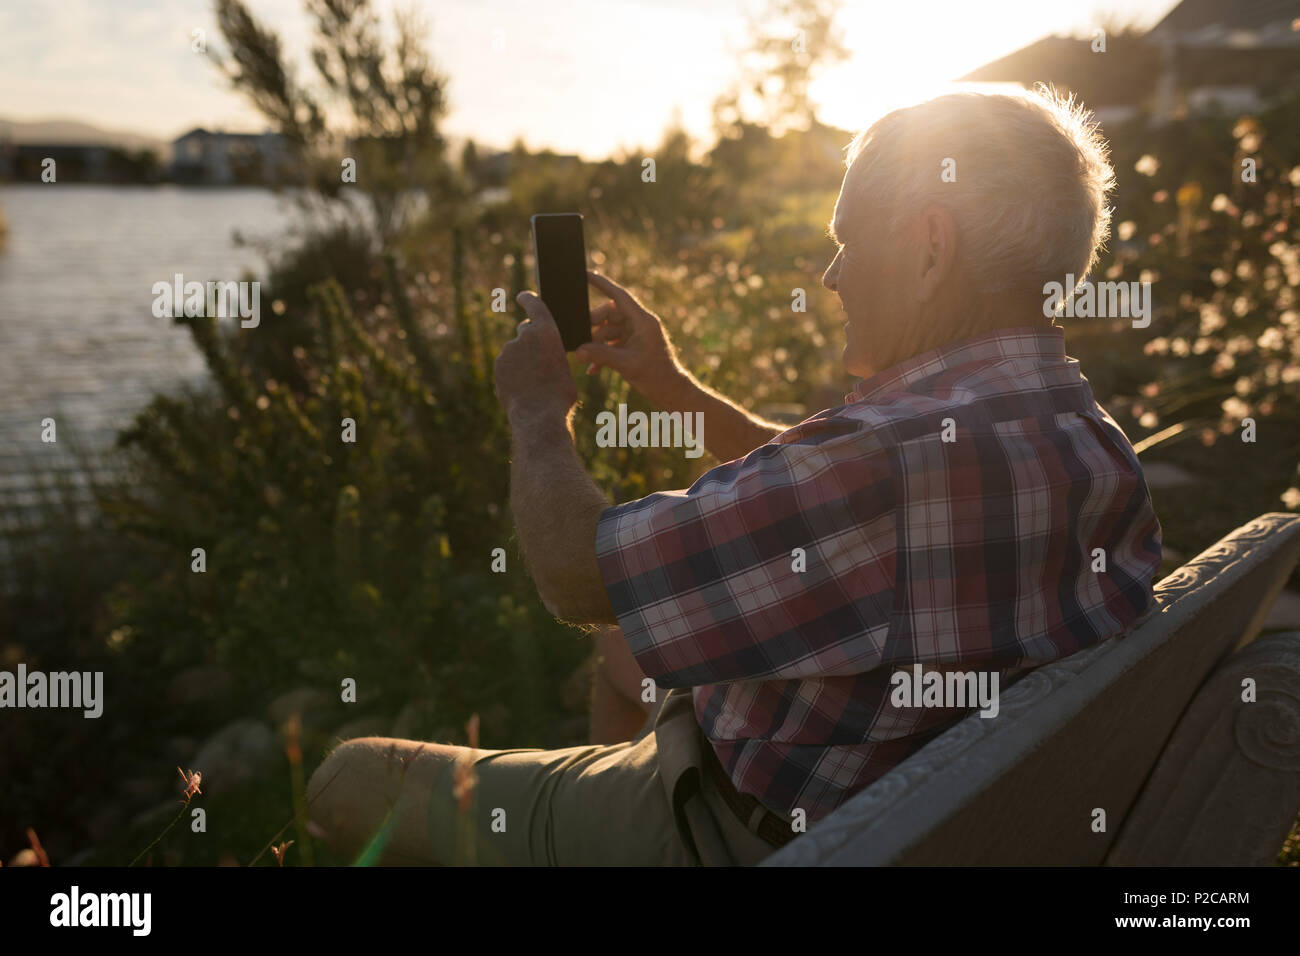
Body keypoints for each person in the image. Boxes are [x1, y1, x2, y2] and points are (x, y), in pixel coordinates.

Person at [306, 86, 1163, 866]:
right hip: (918, 813)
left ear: (931, 248)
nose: (831, 277)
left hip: (737, 834)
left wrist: (535, 412)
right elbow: (838, 498)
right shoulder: (1089, 441)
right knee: (623, 654)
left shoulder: (875, 467)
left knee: (351, 782)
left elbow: (576, 574)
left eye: (845, 245)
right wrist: (673, 389)